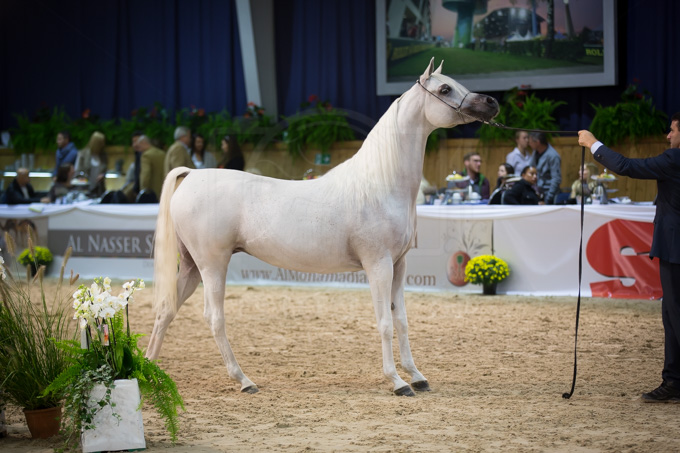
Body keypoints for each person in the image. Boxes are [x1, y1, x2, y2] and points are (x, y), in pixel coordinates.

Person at [578, 113, 680, 403]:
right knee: (671, 315)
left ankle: (674, 379)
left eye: (673, 130)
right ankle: (674, 380)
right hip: (674, 246)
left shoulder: (674, 159)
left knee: (675, 314)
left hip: (676, 247)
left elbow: (626, 166)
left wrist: (593, 143)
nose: (668, 136)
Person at [529, 131, 562, 204]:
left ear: (537, 142)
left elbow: (556, 179)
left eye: (531, 142)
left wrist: (548, 199)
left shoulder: (553, 156)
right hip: (537, 192)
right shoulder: (535, 152)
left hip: (548, 194)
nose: (529, 144)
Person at [75, 131, 108, 197]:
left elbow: (105, 170)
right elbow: (77, 171)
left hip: (99, 190)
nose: (103, 144)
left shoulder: (103, 156)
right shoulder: (83, 154)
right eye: (101, 143)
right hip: (84, 189)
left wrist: (102, 175)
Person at [135, 134, 166, 199]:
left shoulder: (146, 155)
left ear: (144, 143)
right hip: (164, 189)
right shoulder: (162, 153)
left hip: (152, 192)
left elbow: (145, 175)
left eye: (139, 146)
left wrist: (143, 191)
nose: (139, 150)